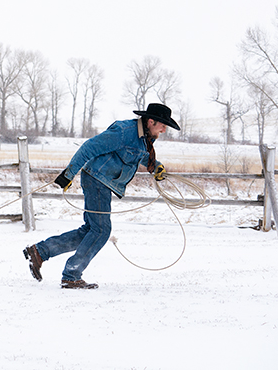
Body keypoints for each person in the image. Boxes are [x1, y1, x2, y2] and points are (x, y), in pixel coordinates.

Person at [24, 103, 180, 289]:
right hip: (96, 180)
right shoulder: (124, 131)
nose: (164, 129)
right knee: (101, 231)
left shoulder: (143, 138)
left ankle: (40, 251)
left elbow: (138, 155)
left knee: (90, 231)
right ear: (151, 121)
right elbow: (89, 147)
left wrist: (156, 166)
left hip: (103, 182)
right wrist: (68, 174)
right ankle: (71, 275)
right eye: (162, 125)